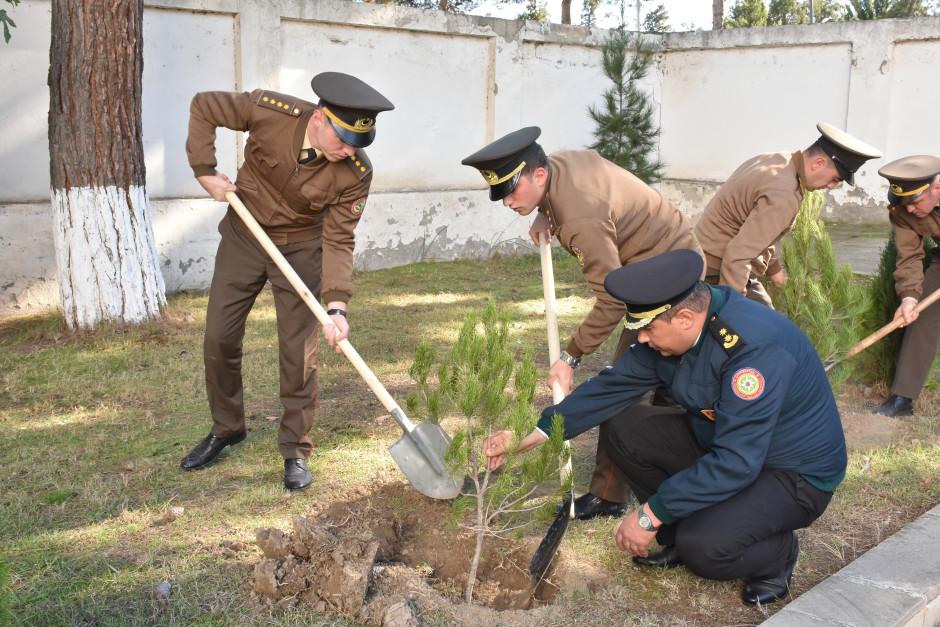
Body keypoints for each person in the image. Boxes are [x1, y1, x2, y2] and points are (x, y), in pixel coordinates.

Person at [483, 249, 847, 606]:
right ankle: (677, 531)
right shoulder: (675, 333)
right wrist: (529, 436)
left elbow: (737, 461)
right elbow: (610, 389)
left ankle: (776, 556)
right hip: (726, 448)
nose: (642, 338)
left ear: (685, 318)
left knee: (703, 548)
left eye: (648, 329)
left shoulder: (752, 350)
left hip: (791, 475)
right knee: (624, 425)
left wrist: (649, 514)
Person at [462, 127, 703, 521]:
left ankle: (614, 494)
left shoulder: (580, 218)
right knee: (653, 379)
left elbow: (613, 300)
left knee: (629, 382)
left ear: (539, 175)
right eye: (501, 193)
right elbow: (567, 188)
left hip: (666, 272)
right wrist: (544, 214)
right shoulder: (556, 166)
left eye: (511, 191)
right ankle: (630, 483)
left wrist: (571, 356)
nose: (506, 202)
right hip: (658, 256)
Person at [179, 72, 394, 490]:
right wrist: (204, 170)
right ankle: (227, 428)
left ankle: (295, 447)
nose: (349, 150)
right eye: (344, 139)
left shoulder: (355, 173)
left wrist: (337, 306)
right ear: (319, 118)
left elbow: (338, 238)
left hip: (300, 249)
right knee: (219, 337)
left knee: (299, 354)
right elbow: (205, 105)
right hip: (244, 235)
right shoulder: (271, 112)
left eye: (358, 143)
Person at [695, 123, 881, 307]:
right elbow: (737, 255)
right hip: (716, 272)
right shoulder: (785, 194)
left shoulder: (777, 160)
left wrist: (775, 270)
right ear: (818, 163)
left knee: (768, 320)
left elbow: (755, 231)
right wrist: (733, 311)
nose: (832, 186)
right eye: (835, 179)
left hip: (706, 258)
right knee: (760, 325)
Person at [873, 155, 940, 417]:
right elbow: (910, 257)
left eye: (914, 201)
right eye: (904, 202)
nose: (909, 209)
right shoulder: (903, 211)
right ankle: (902, 398)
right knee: (921, 315)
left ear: (936, 188)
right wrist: (909, 298)